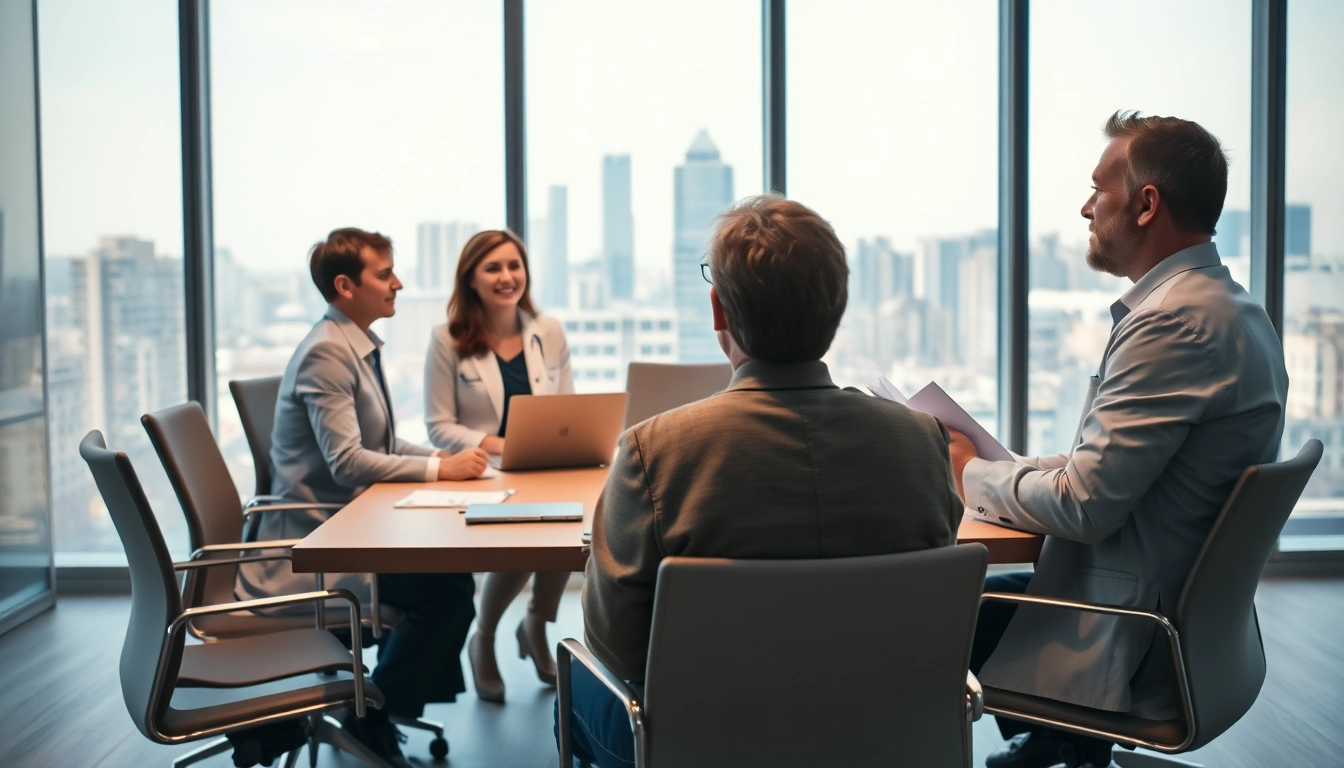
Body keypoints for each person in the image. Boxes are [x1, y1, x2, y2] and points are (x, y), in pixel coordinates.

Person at [557, 195, 966, 767]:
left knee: (573, 687)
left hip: (701, 745)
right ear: (837, 308)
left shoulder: (655, 451)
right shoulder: (921, 441)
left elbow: (614, 647)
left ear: (718, 310)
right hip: (883, 735)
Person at [949, 112, 1289, 768]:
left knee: (918, 618)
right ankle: (1058, 745)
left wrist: (966, 472)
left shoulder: (1171, 325)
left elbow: (1084, 505)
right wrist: (1004, 465)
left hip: (1132, 634)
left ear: (1145, 204)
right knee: (985, 592)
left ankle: (1057, 738)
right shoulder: (1232, 308)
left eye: (1098, 189)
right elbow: (1114, 468)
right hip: (1180, 615)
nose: (1086, 208)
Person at [237, 227, 490, 767]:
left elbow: (383, 444)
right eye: (385, 274)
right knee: (445, 592)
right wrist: (438, 468)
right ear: (346, 286)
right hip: (316, 546)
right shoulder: (327, 354)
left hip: (349, 529)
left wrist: (445, 462)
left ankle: (375, 701)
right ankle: (373, 712)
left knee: (449, 579)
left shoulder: (354, 345)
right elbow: (347, 461)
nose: (398, 284)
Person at [423, 229, 575, 703]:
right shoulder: (447, 339)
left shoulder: (548, 330)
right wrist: (499, 445)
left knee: (573, 530)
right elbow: (438, 426)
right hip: (485, 474)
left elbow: (566, 408)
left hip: (544, 466)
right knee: (527, 540)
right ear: (470, 278)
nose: (507, 277)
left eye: (514, 265)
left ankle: (536, 624)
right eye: (493, 268)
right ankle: (484, 637)